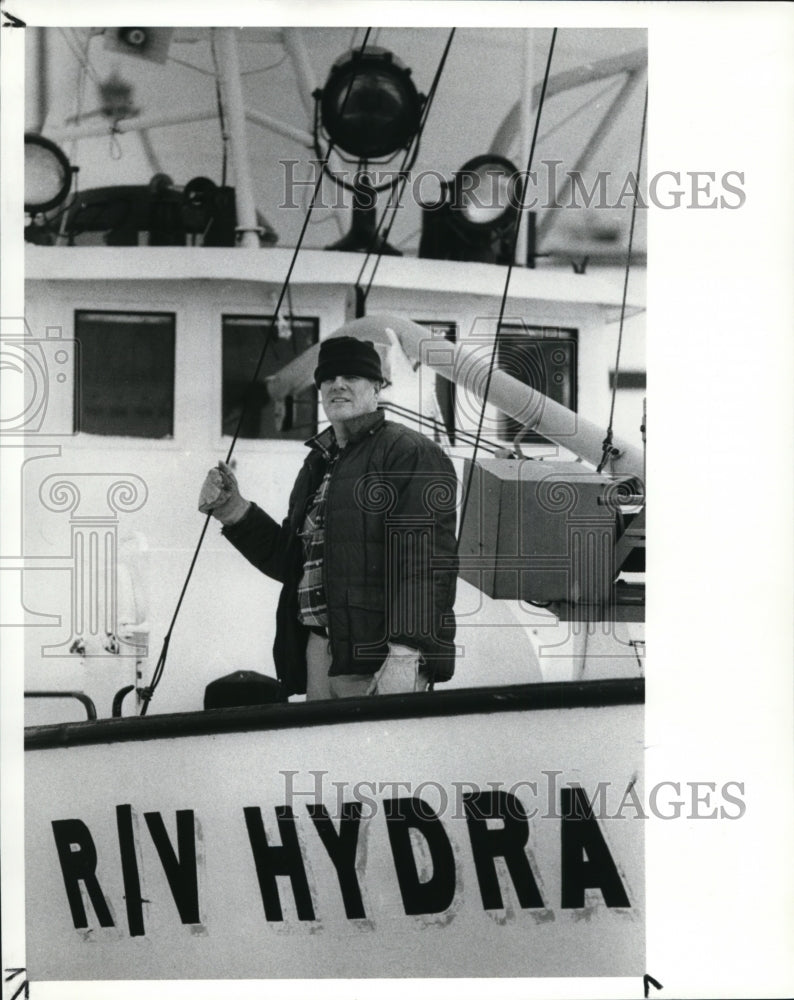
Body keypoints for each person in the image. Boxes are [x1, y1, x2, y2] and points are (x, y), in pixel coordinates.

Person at [199, 335, 458, 700]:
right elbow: (292, 563)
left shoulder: (410, 454)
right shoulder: (319, 461)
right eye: (329, 377)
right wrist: (233, 510)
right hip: (317, 649)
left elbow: (426, 566)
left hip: (379, 655)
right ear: (320, 387)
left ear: (377, 386)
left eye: (352, 376)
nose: (338, 384)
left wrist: (406, 656)